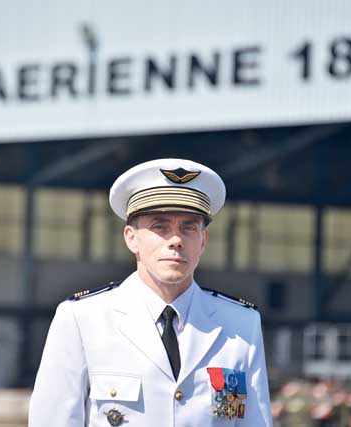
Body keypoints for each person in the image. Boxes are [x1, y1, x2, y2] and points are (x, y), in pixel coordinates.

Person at [29, 158, 272, 426]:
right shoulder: (83, 319)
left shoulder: (240, 325)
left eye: (189, 228)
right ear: (131, 238)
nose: (176, 240)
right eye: (160, 227)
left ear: (203, 241)